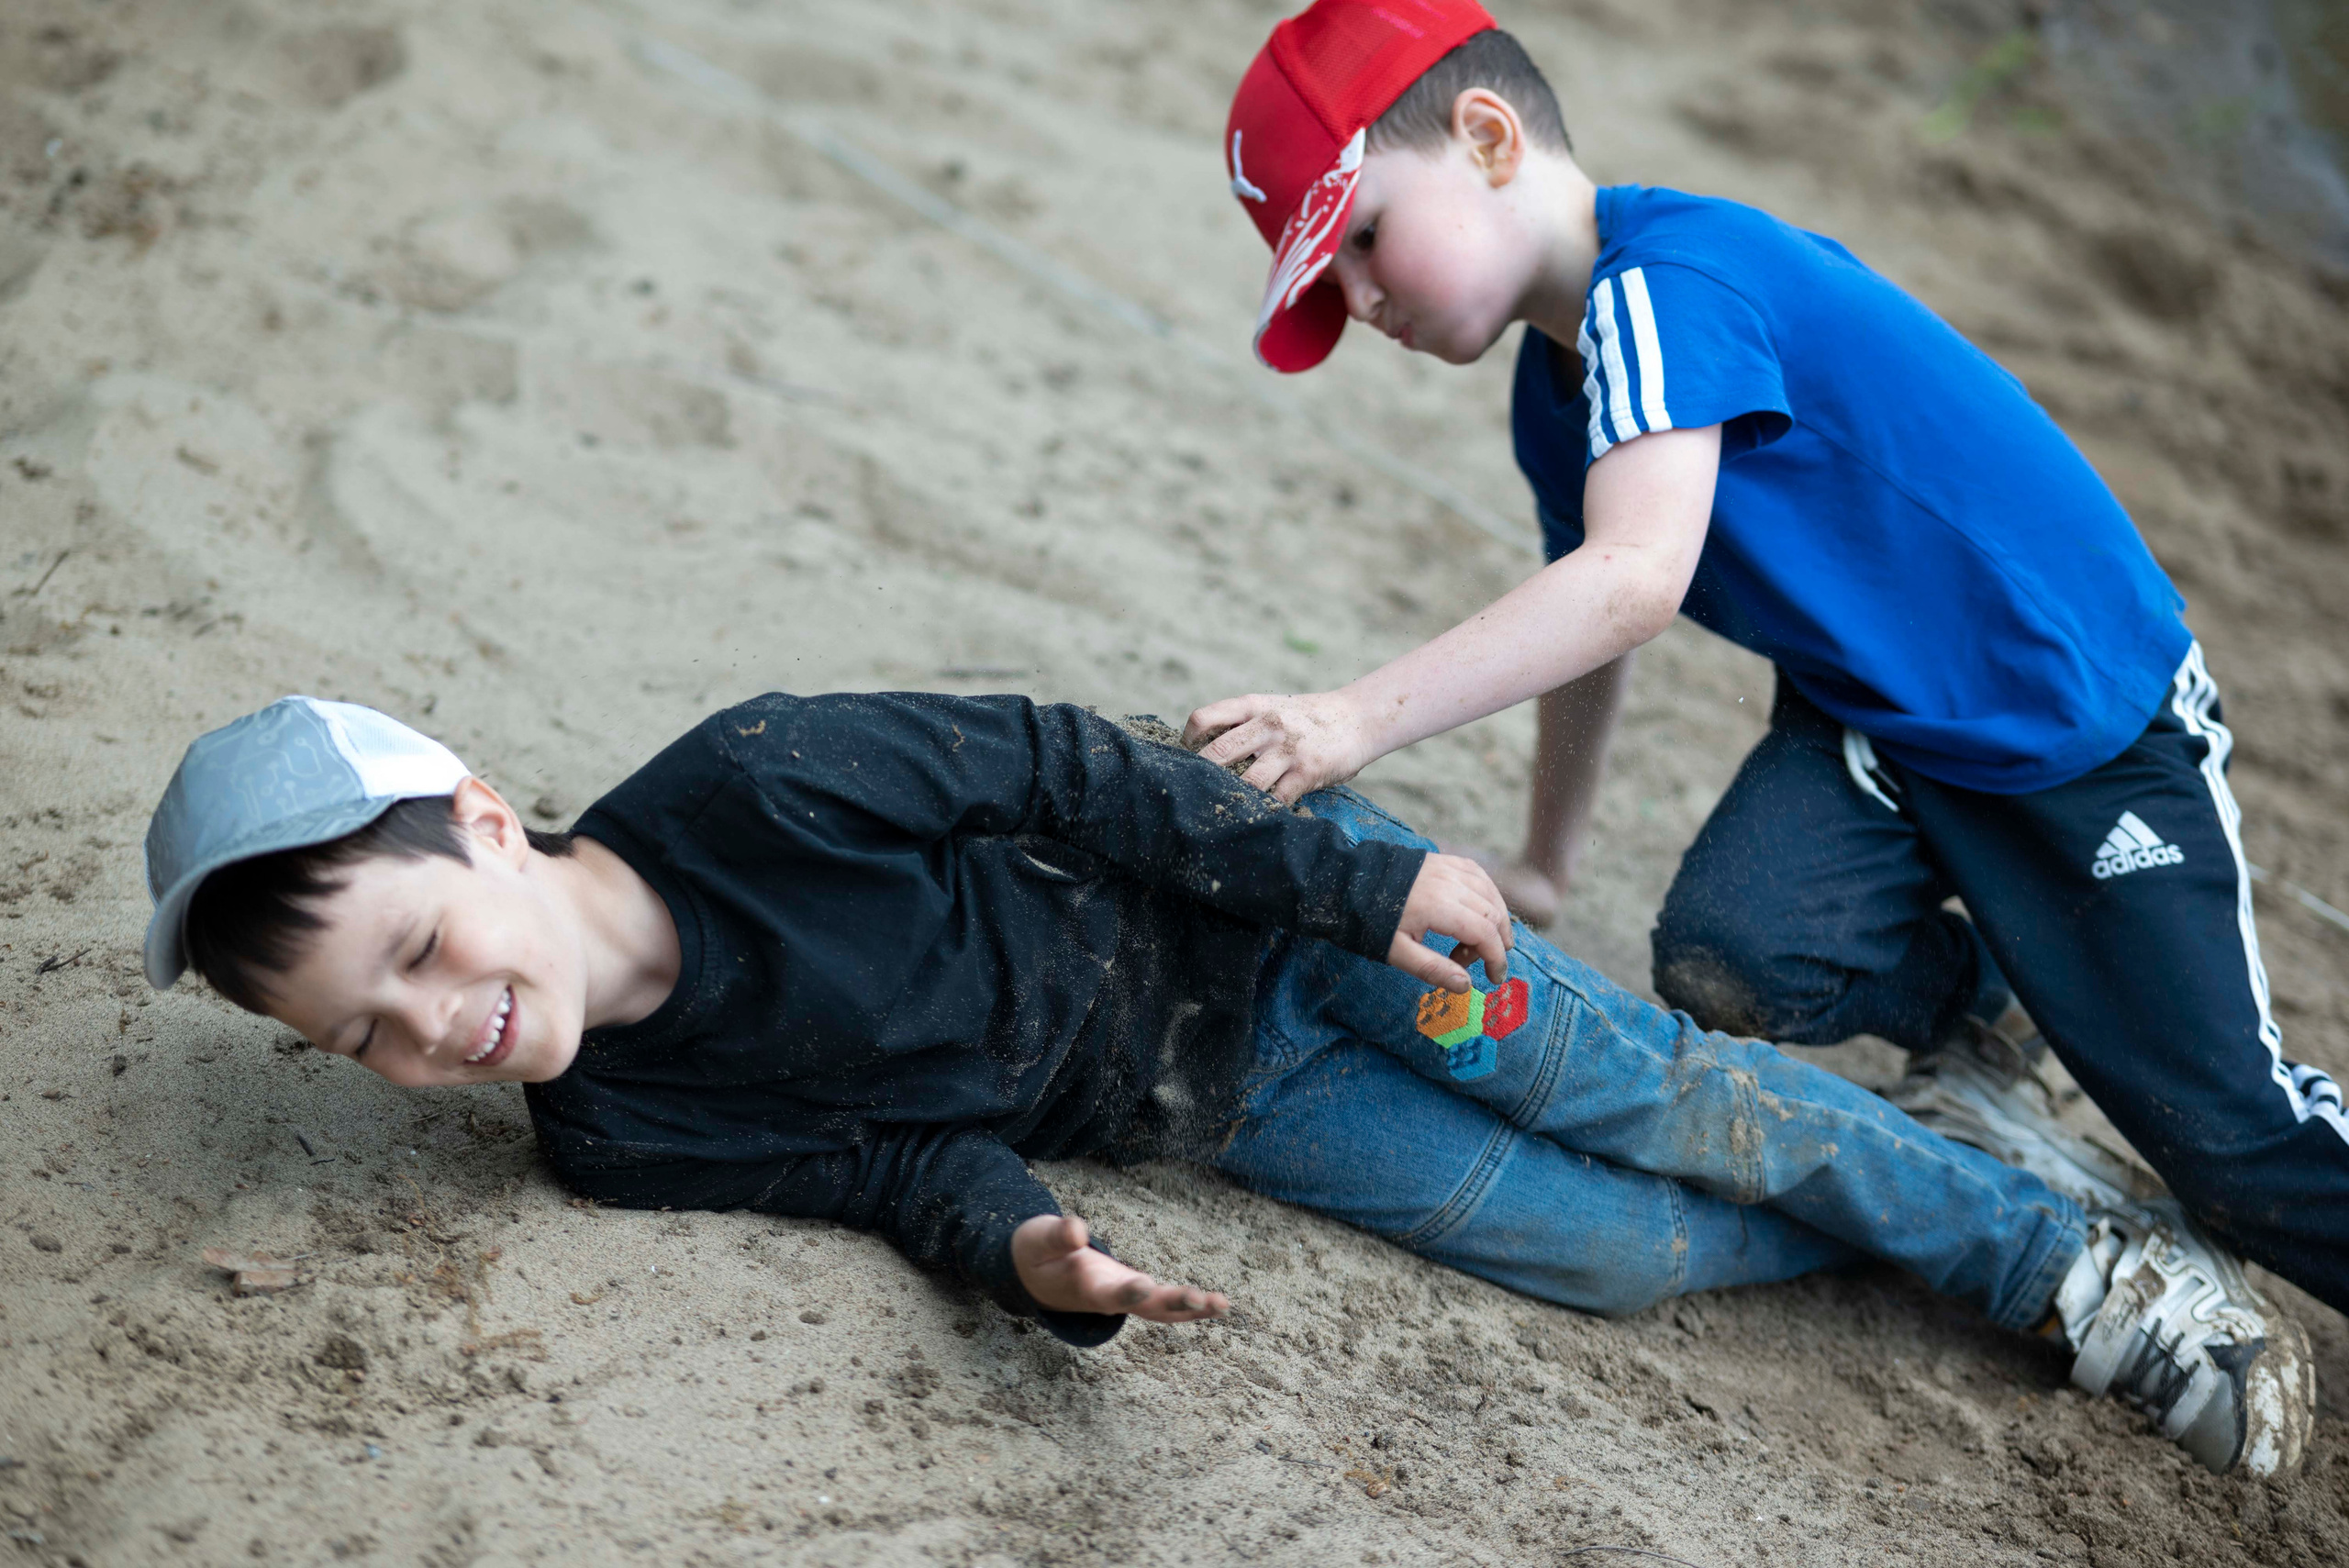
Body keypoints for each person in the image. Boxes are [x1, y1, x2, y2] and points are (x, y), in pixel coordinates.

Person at [144, 693, 2312, 1473]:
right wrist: (1027, 1252)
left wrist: (1358, 879)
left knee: (1664, 1098)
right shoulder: (617, 1136)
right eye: (361, 1036)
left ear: (486, 821)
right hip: (1220, 1106)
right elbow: (886, 1162)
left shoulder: (759, 781)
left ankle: (2077, 1276)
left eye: (412, 950)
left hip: (1299, 936)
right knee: (1611, 1254)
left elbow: (1072, 773)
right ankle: (1940, 1149)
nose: (424, 1030)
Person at [1188, 0, 2349, 1318]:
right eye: (1322, 286)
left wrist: (1349, 718)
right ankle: (1999, 997)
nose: (1357, 299)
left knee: (2229, 1148)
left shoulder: (1669, 282)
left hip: (2079, 712)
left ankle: (2094, 1005)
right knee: (1733, 955)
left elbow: (1632, 582)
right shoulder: (1554, 390)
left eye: (1362, 238)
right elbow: (1586, 622)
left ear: (1490, 138)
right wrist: (1547, 861)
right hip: (1883, 725)